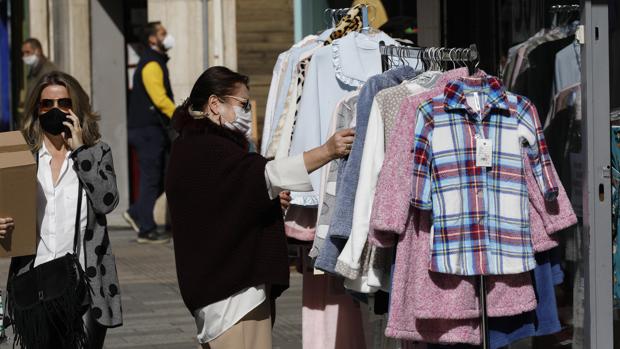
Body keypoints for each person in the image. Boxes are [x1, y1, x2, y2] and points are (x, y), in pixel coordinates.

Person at [165, 66, 354, 349]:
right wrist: (328, 151)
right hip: (233, 294)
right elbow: (267, 174)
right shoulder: (210, 149)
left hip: (214, 289)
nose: (245, 113)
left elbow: (220, 203)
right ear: (215, 104)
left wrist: (262, 199)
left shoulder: (188, 146)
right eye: (242, 104)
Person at [1, 71, 123, 348]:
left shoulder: (96, 152)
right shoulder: (22, 156)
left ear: (76, 108)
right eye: (47, 104)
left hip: (85, 283)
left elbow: (107, 201)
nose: (55, 110)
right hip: (36, 283)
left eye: (64, 103)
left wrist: (80, 150)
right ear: (36, 109)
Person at [125, 21, 176, 244]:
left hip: (152, 130)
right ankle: (146, 228)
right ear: (152, 39)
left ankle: (136, 213)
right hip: (148, 130)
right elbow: (160, 99)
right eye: (163, 33)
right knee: (152, 178)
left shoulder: (155, 61)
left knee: (163, 177)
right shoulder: (151, 64)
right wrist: (180, 115)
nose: (168, 37)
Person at [20, 38, 58, 117]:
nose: (24, 56)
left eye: (27, 52)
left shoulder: (48, 70)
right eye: (23, 53)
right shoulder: (33, 69)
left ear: (37, 51)